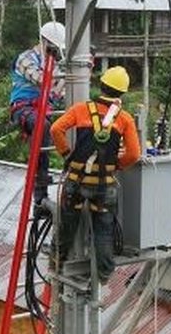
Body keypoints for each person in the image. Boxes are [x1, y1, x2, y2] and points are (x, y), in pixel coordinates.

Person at [50, 65, 142, 281]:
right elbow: (134, 154)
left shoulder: (81, 109)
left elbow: (56, 129)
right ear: (122, 93)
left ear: (101, 86)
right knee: (103, 231)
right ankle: (104, 275)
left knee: (67, 225)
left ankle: (56, 261)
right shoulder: (124, 119)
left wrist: (66, 154)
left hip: (76, 181)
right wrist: (116, 165)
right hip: (104, 186)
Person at [9, 21, 67, 205]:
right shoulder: (26, 59)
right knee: (42, 125)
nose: (54, 52)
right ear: (44, 41)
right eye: (53, 47)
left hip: (44, 109)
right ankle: (40, 182)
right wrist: (63, 78)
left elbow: (60, 93)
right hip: (24, 109)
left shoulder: (54, 65)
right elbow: (42, 80)